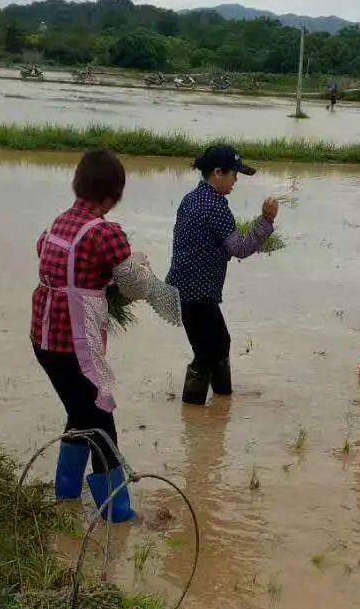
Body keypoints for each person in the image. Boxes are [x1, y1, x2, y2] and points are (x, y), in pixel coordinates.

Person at [31, 149, 156, 521]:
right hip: (75, 345)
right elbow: (134, 285)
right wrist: (141, 265)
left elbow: (45, 255)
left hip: (44, 340)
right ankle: (117, 513)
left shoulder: (57, 224)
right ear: (113, 196)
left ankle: (66, 497)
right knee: (101, 423)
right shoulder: (105, 233)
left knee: (79, 413)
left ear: (77, 185)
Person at [166, 144, 278, 405]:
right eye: (234, 175)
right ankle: (195, 415)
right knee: (207, 351)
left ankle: (222, 400)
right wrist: (266, 220)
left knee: (219, 343)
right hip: (199, 291)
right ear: (217, 173)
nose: (236, 181)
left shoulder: (191, 199)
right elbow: (239, 248)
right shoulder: (216, 206)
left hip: (186, 288)